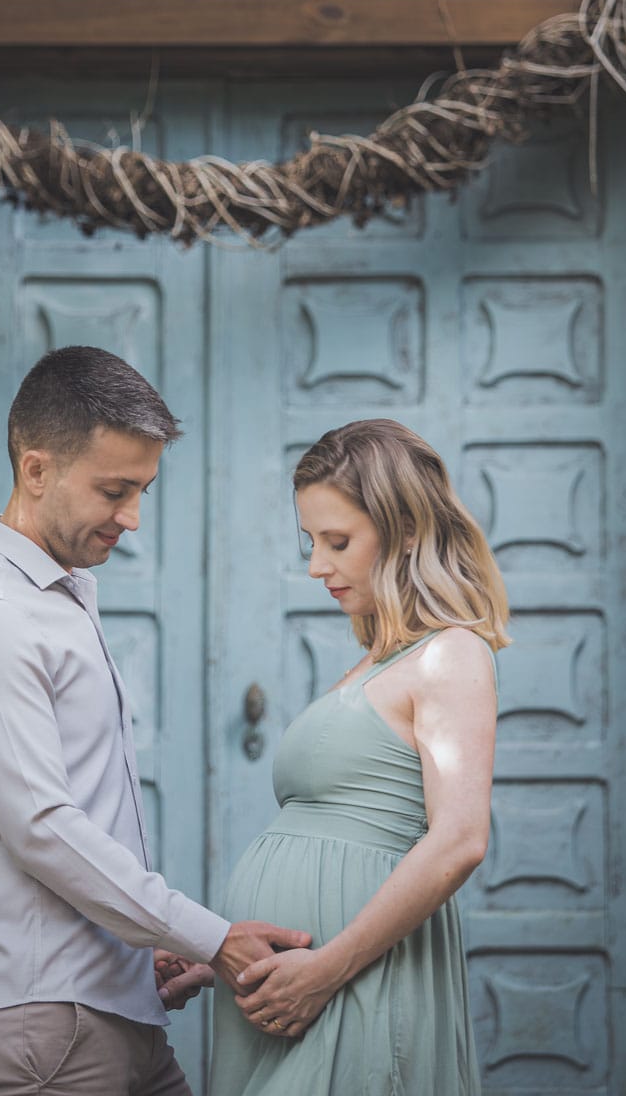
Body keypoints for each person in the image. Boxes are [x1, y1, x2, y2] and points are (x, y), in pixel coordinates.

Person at [0, 346, 309, 1096]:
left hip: (107, 1008)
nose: (131, 517)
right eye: (114, 491)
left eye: (141, 491)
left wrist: (135, 954)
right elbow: (42, 826)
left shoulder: (53, 599)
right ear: (36, 470)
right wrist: (212, 938)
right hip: (43, 1027)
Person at [208, 419, 509, 1096]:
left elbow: (460, 840)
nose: (317, 566)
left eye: (338, 542)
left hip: (356, 982)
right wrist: (218, 957)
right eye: (311, 542)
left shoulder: (451, 653)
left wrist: (327, 968)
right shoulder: (377, 661)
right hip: (297, 987)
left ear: (407, 530)